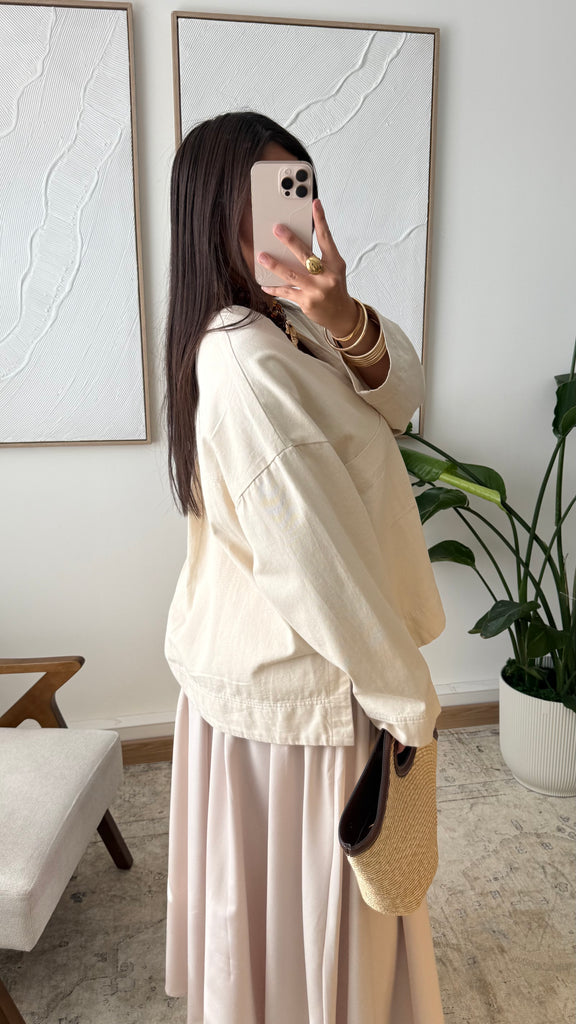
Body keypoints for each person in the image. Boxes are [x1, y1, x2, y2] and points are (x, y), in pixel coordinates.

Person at [163, 111, 447, 1024]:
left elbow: (401, 400)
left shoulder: (288, 325)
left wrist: (345, 315)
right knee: (315, 925)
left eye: (301, 190)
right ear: (215, 213)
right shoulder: (246, 361)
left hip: (295, 670)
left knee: (296, 923)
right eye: (267, 197)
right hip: (306, 688)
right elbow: (315, 566)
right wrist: (407, 704)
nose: (292, 217)